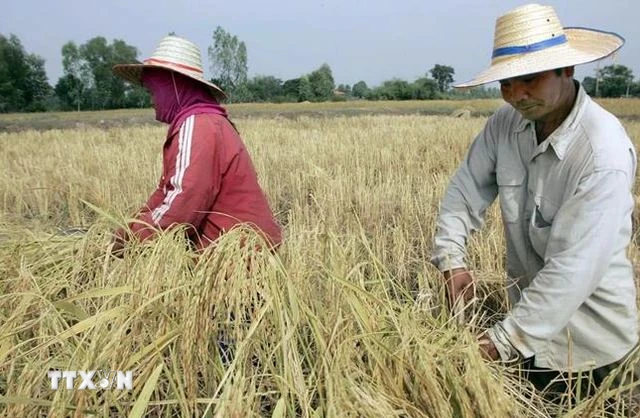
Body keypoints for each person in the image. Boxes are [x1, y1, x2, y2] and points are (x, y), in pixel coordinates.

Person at [431, 3, 639, 408]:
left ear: (567, 70)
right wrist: (451, 259)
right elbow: (465, 190)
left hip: (593, 353)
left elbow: (571, 272)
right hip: (529, 337)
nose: (515, 96)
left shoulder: (602, 155)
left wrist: (498, 342)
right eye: (506, 84)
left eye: (528, 79)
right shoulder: (505, 125)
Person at [110, 35, 282, 254]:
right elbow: (166, 190)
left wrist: (131, 239)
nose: (152, 100)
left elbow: (183, 202)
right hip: (239, 249)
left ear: (173, 86)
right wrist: (131, 225)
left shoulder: (198, 125)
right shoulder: (205, 120)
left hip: (237, 256)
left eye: (154, 91)